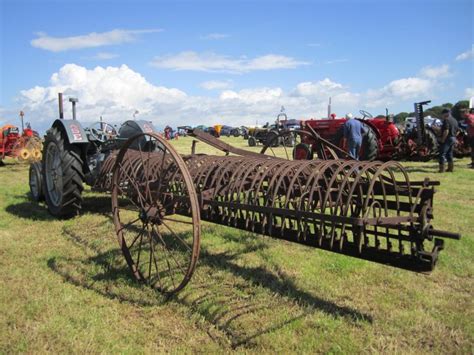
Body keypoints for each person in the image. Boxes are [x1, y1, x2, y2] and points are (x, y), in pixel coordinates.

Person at [438, 108, 458, 172]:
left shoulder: (446, 120)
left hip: (448, 138)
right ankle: (450, 168)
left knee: (442, 153)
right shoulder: (455, 120)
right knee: (449, 153)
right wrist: (454, 137)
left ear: (446, 113)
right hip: (453, 138)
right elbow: (458, 131)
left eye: (443, 114)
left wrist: (443, 139)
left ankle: (442, 169)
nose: (442, 116)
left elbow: (446, 131)